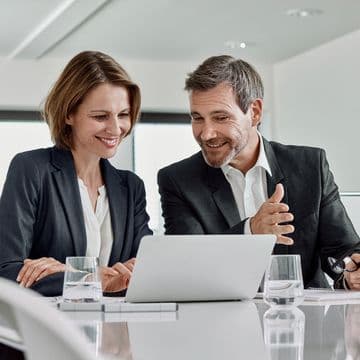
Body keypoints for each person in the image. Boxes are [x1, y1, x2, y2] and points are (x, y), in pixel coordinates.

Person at [158, 55, 360, 289]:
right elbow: (188, 264)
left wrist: (350, 272)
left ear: (254, 112)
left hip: (306, 320)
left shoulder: (310, 165)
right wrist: (250, 231)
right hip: (221, 321)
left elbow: (343, 249)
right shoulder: (178, 180)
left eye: (221, 117)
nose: (206, 134)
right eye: (197, 118)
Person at [0, 51, 152, 296]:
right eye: (101, 116)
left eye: (123, 114)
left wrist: (65, 271)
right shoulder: (32, 169)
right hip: (48, 330)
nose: (116, 128)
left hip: (116, 329)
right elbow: (7, 272)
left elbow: (147, 269)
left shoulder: (131, 187)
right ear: (69, 113)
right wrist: (87, 278)